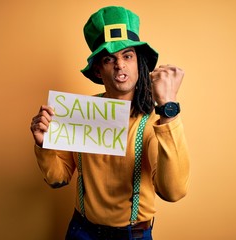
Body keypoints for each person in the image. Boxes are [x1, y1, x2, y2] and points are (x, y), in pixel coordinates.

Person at [30, 6, 190, 240]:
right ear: (98, 69)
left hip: (132, 235)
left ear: (139, 63)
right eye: (109, 58)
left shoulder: (157, 121)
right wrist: (45, 145)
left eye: (127, 56)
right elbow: (58, 178)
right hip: (81, 231)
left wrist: (169, 110)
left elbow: (173, 191)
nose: (119, 65)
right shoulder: (81, 114)